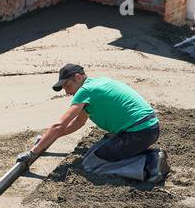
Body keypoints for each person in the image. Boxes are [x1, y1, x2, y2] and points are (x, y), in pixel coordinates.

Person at [19, 64, 169, 184]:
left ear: (78, 77)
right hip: (149, 128)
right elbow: (79, 122)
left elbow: (59, 125)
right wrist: (48, 139)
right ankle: (149, 155)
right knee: (94, 152)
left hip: (138, 133)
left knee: (91, 164)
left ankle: (150, 163)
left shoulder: (85, 91)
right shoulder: (98, 83)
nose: (67, 92)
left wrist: (33, 153)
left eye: (67, 86)